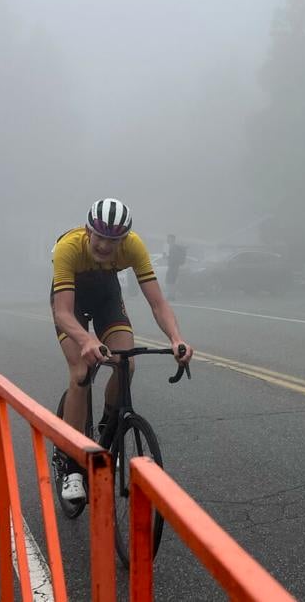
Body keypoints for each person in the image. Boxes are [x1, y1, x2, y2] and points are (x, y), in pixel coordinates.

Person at [51, 198, 193, 502]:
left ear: (124, 239)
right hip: (71, 303)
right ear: (88, 231)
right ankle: (72, 464)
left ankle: (107, 429)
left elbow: (158, 303)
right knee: (81, 371)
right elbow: (62, 312)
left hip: (106, 298)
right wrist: (86, 340)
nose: (104, 245)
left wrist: (176, 338)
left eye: (113, 240)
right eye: (99, 236)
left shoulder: (134, 247)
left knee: (125, 364)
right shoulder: (68, 247)